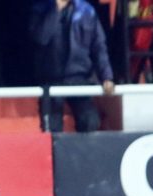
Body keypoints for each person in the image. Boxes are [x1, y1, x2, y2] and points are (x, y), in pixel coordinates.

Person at [29, 0, 114, 132]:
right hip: (50, 79)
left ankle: (83, 146)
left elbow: (99, 47)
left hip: (79, 77)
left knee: (90, 122)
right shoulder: (40, 9)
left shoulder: (87, 11)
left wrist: (106, 76)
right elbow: (41, 38)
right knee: (51, 129)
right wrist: (56, 9)